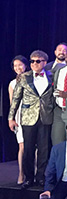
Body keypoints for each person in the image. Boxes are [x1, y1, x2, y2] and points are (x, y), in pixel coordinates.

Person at [8, 50, 55, 188]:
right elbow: (16, 99)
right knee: (28, 149)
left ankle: (40, 177)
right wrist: (11, 118)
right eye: (32, 61)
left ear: (44, 62)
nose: (34, 63)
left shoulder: (51, 76)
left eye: (38, 61)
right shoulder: (24, 77)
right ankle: (28, 178)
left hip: (46, 117)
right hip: (28, 117)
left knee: (43, 149)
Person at [8, 55, 28, 184]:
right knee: (22, 146)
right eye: (15, 66)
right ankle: (21, 173)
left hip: (33, 115)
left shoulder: (32, 79)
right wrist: (12, 118)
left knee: (35, 147)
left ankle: (36, 173)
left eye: (20, 65)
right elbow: (12, 104)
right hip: (19, 116)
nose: (18, 68)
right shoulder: (12, 83)